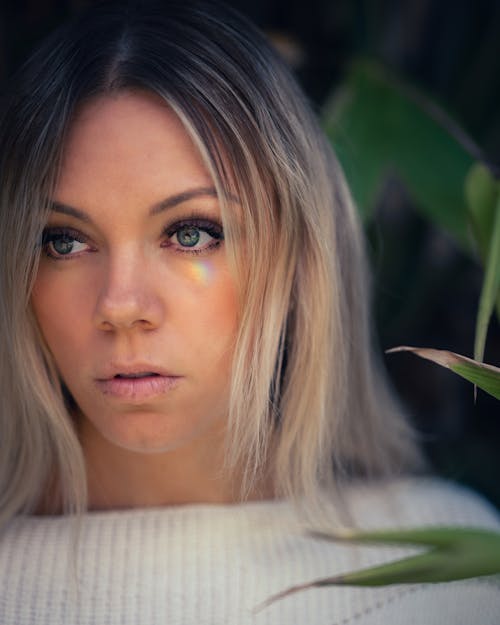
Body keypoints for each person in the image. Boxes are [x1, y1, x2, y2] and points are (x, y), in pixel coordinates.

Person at [0, 1, 498, 623]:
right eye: (64, 241)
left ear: (295, 256)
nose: (121, 306)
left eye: (190, 233)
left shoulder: (451, 574)